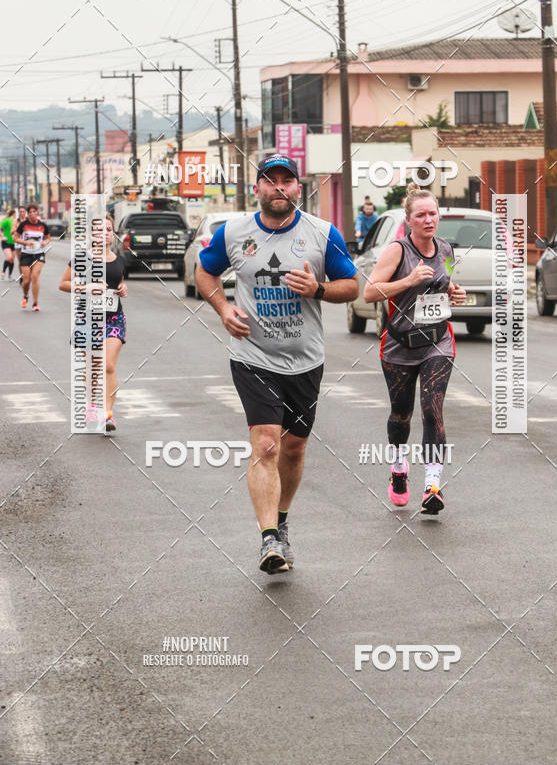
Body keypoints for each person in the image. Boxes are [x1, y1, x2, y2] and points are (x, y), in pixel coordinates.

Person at [196, 154, 359, 574]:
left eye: (287, 181)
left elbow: (353, 286)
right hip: (253, 355)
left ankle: (281, 522)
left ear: (298, 189)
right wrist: (222, 308)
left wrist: (319, 289)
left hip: (306, 359)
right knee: (266, 442)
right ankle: (268, 536)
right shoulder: (234, 232)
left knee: (294, 446)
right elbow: (205, 271)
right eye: (271, 181)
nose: (279, 188)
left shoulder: (323, 234)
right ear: (258, 189)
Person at [364, 182, 466, 515]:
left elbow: (447, 278)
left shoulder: (446, 250)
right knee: (401, 414)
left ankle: (432, 487)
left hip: (437, 341)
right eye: (421, 215)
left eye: (433, 213)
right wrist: (407, 281)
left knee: (432, 410)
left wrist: (455, 290)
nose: (428, 219)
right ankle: (398, 469)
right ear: (409, 220)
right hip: (399, 344)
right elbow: (370, 292)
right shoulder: (397, 250)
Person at [58, 214, 127, 431]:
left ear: (112, 233)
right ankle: (91, 403)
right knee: (93, 367)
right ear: (92, 234)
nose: (104, 233)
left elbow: (119, 284)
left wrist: (123, 290)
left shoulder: (119, 260)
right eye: (100, 229)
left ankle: (108, 414)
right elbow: (63, 284)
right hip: (88, 318)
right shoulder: (82, 258)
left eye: (108, 229)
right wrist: (85, 288)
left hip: (114, 317)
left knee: (108, 365)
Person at [13, 204, 50, 311]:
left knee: (35, 276)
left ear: (37, 212)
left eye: (34, 211)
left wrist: (44, 242)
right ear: (28, 214)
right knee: (26, 281)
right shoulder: (23, 225)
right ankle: (25, 295)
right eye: (30, 212)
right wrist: (26, 242)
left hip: (39, 254)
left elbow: (48, 238)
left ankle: (35, 303)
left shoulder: (43, 225)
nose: (32, 214)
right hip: (26, 254)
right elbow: (15, 238)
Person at [12, 205, 27, 281]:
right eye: (20, 211)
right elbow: (12, 231)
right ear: (18, 212)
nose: (22, 213)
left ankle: (26, 275)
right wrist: (18, 229)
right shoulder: (16, 221)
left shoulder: (28, 221)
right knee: (21, 261)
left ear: (25, 212)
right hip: (18, 244)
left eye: (23, 211)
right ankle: (22, 276)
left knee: (28, 261)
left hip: (27, 244)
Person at [1, 207, 16, 280]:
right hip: (6, 242)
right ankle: (3, 273)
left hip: (13, 242)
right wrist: (2, 236)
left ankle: (10, 275)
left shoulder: (15, 221)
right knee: (9, 257)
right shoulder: (7, 220)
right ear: (13, 213)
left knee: (12, 259)